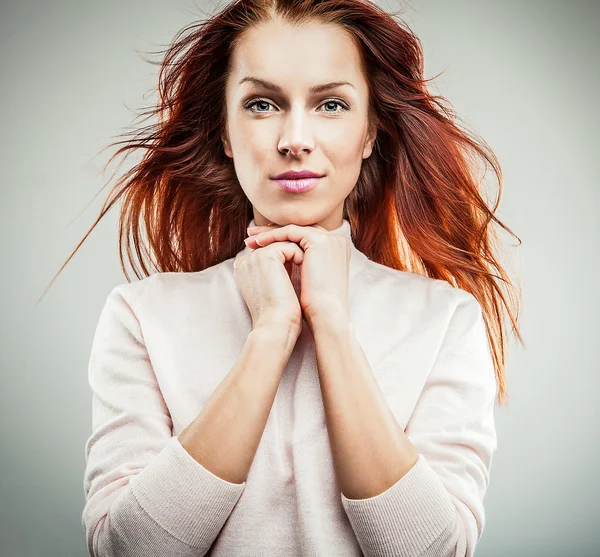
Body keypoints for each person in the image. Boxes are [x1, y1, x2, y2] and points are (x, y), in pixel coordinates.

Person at [66, 1, 523, 555]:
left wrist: (330, 322)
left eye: (331, 104)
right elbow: (129, 550)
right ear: (226, 132)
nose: (295, 138)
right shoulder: (142, 315)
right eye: (262, 104)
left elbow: (432, 551)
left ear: (370, 133)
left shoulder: (444, 318)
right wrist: (270, 334)